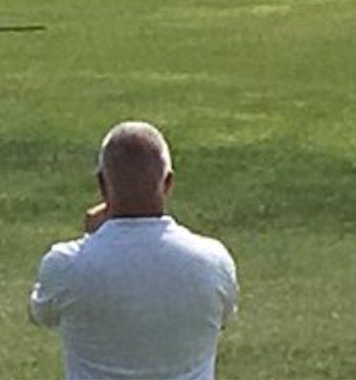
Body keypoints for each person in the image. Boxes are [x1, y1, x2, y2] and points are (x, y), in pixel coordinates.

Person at [28, 121, 238, 380]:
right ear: (167, 183)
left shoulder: (65, 265)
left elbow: (41, 313)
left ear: (102, 185)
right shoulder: (214, 262)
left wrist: (91, 238)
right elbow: (224, 317)